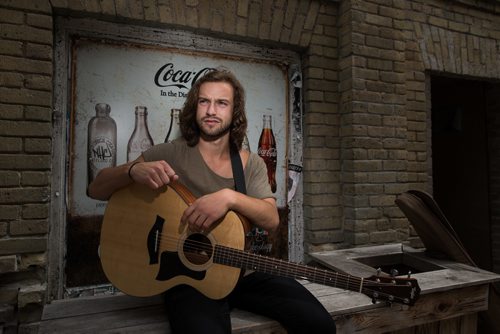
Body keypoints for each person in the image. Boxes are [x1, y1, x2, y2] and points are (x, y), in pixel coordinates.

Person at [88, 69, 336, 334]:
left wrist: (229, 197)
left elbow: (271, 219)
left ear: (234, 111)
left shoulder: (250, 163)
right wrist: (131, 171)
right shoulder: (168, 153)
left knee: (320, 325)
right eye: (204, 101)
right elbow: (96, 189)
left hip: (245, 272)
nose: (211, 110)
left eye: (221, 103)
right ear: (194, 107)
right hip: (188, 279)